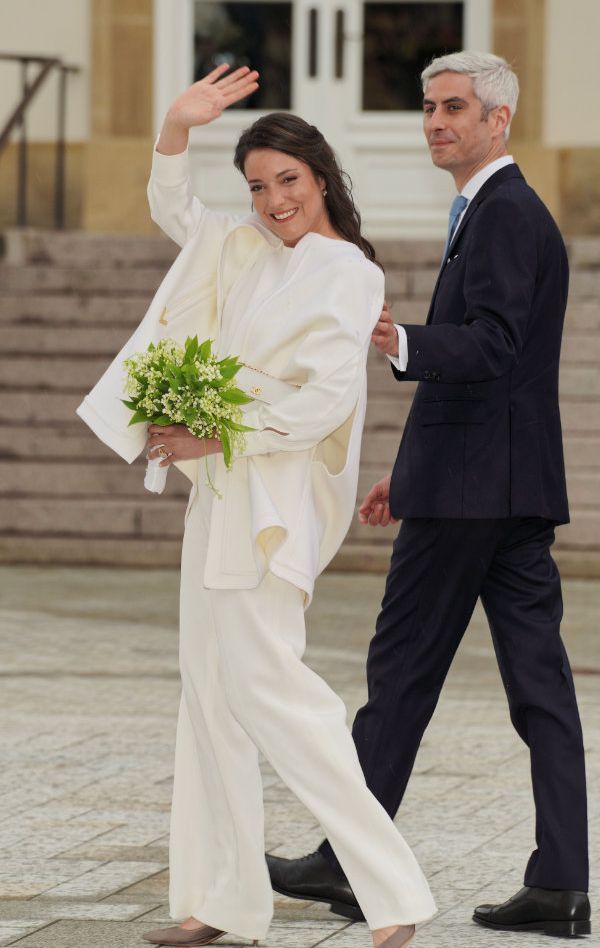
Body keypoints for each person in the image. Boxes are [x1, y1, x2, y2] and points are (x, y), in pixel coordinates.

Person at [77, 65, 436, 948]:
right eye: (258, 185)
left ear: (322, 180)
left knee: (274, 694)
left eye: (288, 180)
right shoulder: (242, 251)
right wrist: (175, 126)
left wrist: (218, 430)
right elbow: (179, 219)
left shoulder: (345, 270)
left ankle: (393, 893)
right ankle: (223, 902)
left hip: (272, 501)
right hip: (221, 503)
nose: (274, 199)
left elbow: (323, 401)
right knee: (208, 698)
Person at [267, 51, 592, 940]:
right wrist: (403, 476)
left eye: (454, 107)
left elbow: (488, 346)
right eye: (427, 107)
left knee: (400, 676)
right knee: (541, 692)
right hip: (502, 486)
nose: (435, 121)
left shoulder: (504, 214)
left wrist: (397, 338)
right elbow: (496, 370)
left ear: (499, 121)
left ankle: (347, 864)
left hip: (471, 495)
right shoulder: (495, 212)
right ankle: (561, 884)